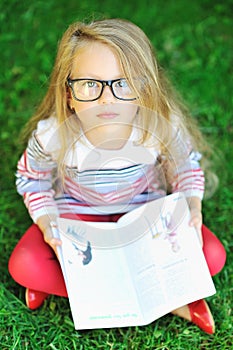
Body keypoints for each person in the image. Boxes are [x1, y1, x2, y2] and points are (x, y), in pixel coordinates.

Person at [8, 18, 226, 334]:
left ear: (143, 89)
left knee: (212, 254)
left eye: (122, 83)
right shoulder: (53, 136)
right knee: (25, 263)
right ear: (69, 94)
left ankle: (98, 288)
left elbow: (185, 167)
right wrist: (48, 225)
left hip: (145, 216)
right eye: (90, 84)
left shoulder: (160, 127)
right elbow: (32, 180)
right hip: (80, 221)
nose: (107, 99)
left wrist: (192, 205)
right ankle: (167, 294)